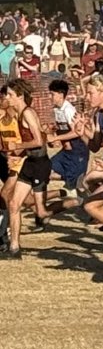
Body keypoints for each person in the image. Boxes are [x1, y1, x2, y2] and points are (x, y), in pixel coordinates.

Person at [2, 80, 51, 259]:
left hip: (40, 164)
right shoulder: (19, 114)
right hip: (29, 162)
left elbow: (38, 141)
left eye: (10, 95)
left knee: (41, 212)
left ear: (20, 96)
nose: (7, 98)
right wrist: (17, 155)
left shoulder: (28, 113)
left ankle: (74, 200)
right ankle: (14, 248)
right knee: (14, 204)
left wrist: (18, 146)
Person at [48, 80, 89, 195]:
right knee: (46, 169)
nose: (50, 97)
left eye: (52, 94)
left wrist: (56, 138)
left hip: (78, 151)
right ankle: (70, 177)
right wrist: (53, 131)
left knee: (78, 188)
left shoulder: (68, 110)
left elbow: (76, 132)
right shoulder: (56, 109)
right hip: (66, 152)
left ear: (61, 95)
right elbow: (62, 128)